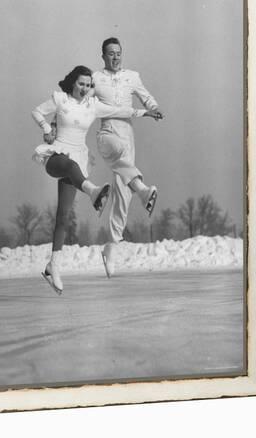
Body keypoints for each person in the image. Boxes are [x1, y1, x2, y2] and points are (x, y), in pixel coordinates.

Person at [32, 65, 160, 294]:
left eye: (89, 85)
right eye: (81, 84)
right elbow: (37, 111)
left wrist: (145, 112)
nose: (85, 88)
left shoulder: (92, 106)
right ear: (73, 83)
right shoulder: (60, 99)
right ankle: (93, 192)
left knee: (63, 216)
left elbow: (120, 110)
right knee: (70, 166)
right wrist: (45, 128)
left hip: (78, 161)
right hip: (56, 157)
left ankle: (53, 266)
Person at [92, 38, 163, 278]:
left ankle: (111, 247)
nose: (115, 57)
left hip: (127, 132)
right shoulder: (95, 78)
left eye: (119, 53)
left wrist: (154, 108)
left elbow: (146, 96)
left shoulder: (132, 76)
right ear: (103, 56)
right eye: (111, 53)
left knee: (122, 193)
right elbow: (78, 99)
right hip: (107, 132)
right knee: (120, 157)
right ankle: (143, 190)